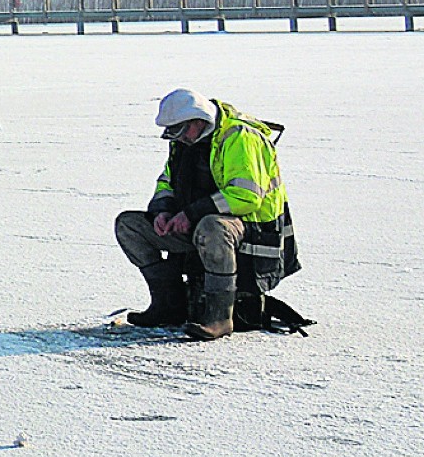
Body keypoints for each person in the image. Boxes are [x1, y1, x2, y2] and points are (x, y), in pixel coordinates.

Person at [114, 88, 300, 340]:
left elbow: (247, 197)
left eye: (180, 131)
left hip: (254, 235)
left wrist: (190, 214)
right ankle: (168, 305)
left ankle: (219, 317)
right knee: (130, 225)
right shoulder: (185, 142)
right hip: (200, 225)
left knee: (212, 226)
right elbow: (166, 182)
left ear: (198, 121)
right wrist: (163, 211)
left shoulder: (240, 137)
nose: (177, 138)